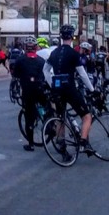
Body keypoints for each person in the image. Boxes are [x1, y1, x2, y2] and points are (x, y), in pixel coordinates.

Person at [44, 24, 95, 157]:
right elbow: (82, 73)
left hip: (57, 89)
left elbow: (45, 70)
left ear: (61, 37)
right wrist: (92, 89)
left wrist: (52, 84)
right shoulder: (74, 53)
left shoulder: (54, 53)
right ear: (72, 37)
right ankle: (83, 143)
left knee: (61, 118)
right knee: (87, 116)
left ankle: (62, 147)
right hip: (70, 89)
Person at [10, 41, 48, 151]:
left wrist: (15, 92)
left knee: (28, 117)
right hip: (40, 89)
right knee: (46, 106)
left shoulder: (21, 60)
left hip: (27, 91)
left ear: (26, 48)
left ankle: (31, 144)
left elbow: (15, 76)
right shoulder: (41, 60)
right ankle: (50, 123)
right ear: (36, 48)